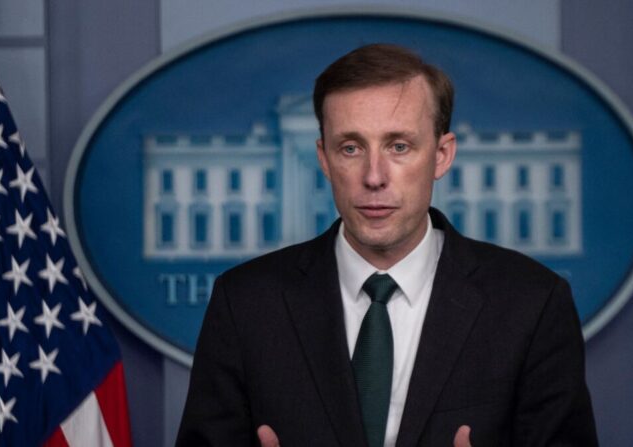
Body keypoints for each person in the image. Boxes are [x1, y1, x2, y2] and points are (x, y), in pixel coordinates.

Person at [176, 43, 598, 446]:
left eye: (399, 146)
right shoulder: (245, 303)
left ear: (441, 155)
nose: (374, 176)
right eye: (351, 147)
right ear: (324, 158)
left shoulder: (533, 304)